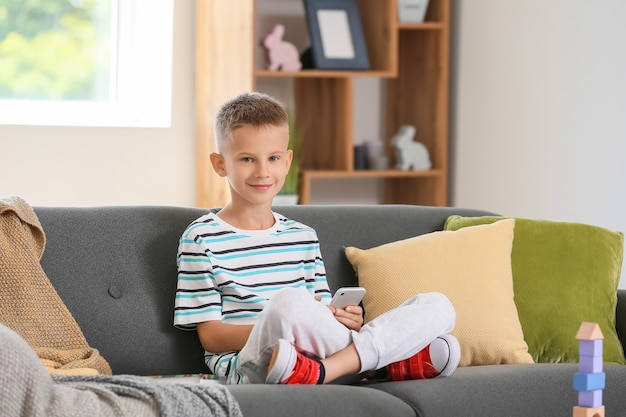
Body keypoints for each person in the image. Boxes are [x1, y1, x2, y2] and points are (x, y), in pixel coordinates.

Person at [173, 92, 460, 385]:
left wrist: (345, 319)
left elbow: (323, 313)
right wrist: (287, 326)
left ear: (287, 162)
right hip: (257, 361)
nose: (262, 171)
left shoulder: (303, 237)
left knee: (439, 305)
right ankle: (373, 365)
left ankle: (331, 370)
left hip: (316, 357)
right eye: (247, 159)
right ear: (220, 164)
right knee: (289, 305)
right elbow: (211, 337)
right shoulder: (201, 237)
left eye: (273, 158)